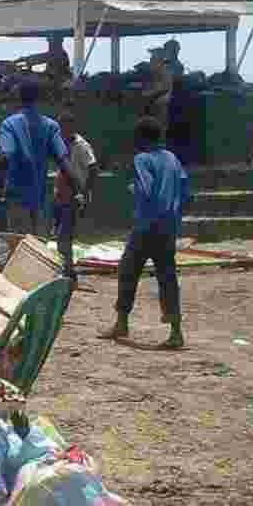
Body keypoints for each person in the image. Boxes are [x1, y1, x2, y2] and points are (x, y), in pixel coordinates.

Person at [99, 116, 190, 349]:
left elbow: (146, 189)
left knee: (127, 271)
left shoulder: (142, 159)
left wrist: (131, 189)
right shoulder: (172, 158)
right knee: (168, 278)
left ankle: (121, 323)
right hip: (168, 228)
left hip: (146, 227)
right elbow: (184, 187)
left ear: (141, 138)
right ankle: (176, 332)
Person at [0, 80, 75, 236]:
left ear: (18, 98)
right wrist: (79, 190)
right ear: (39, 98)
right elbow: (63, 161)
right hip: (41, 197)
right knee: (39, 247)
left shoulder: (8, 125)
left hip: (17, 195)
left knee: (19, 246)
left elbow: (7, 156)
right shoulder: (51, 126)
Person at [54, 111, 99, 286]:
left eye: (64, 127)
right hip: (60, 195)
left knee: (64, 235)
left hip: (73, 196)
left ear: (71, 127)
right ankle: (66, 270)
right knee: (59, 234)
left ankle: (69, 274)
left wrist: (85, 193)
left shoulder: (81, 146)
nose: (61, 131)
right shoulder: (62, 144)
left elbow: (93, 168)